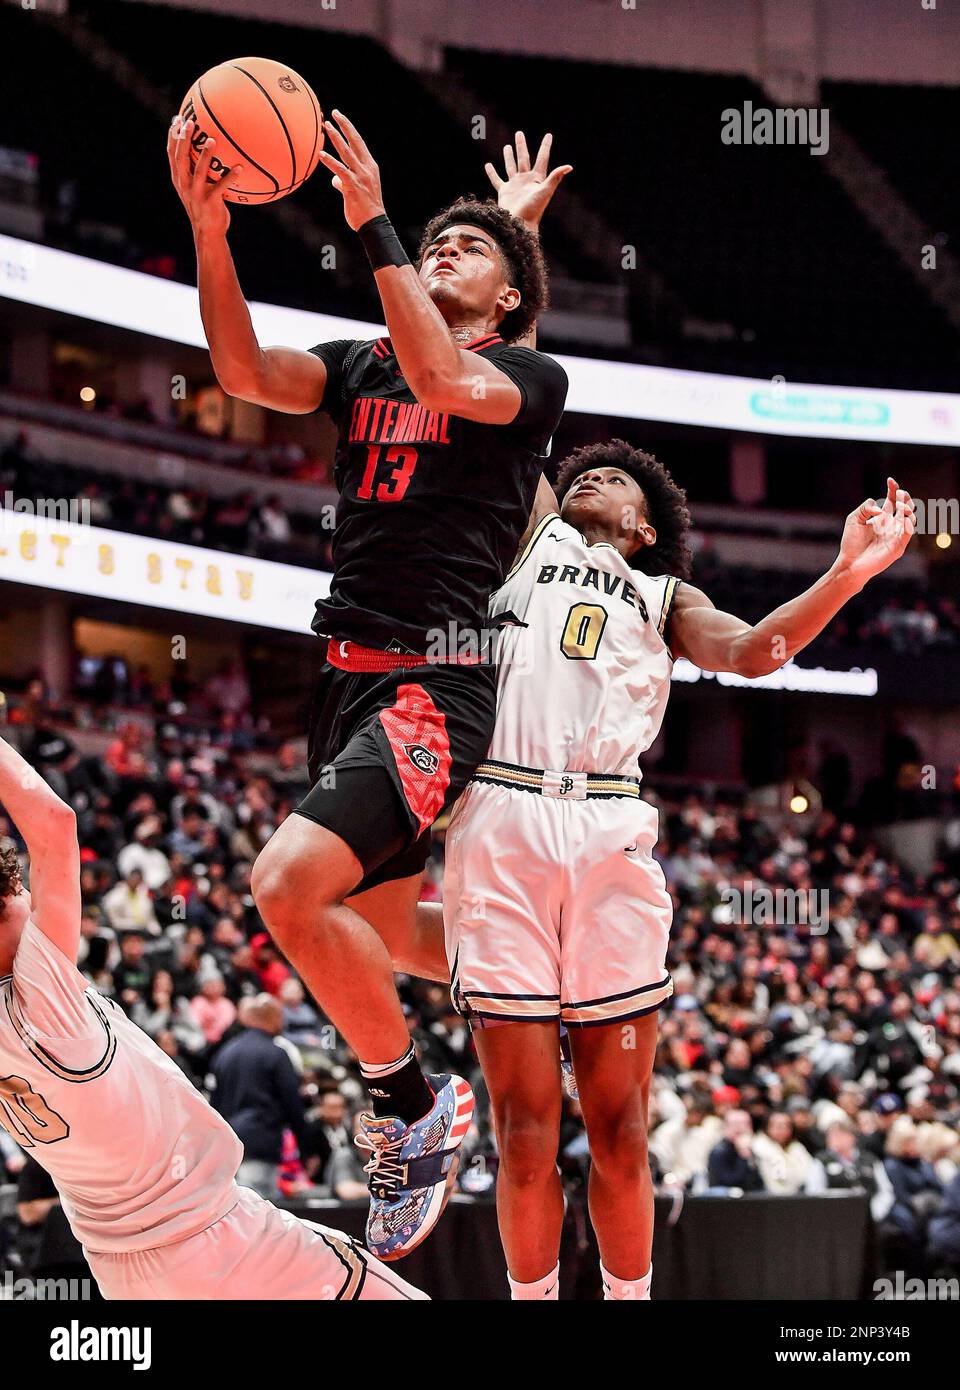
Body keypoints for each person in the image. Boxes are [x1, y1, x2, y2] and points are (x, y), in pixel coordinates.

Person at [169, 111, 569, 1258]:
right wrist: (211, 230)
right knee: (390, 935)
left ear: (508, 303)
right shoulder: (360, 366)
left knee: (288, 885)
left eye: (469, 250)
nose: (442, 250)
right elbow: (241, 369)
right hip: (340, 682)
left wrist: (383, 221)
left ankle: (411, 1102)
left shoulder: (529, 377)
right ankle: (560, 971)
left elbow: (445, 372)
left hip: (433, 685)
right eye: (432, 243)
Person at [440, 448, 915, 1299]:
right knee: (523, 1127)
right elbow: (514, 403)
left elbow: (753, 651)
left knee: (620, 1126)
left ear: (645, 526)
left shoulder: (665, 596)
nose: (592, 479)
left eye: (616, 480)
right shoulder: (531, 537)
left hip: (608, 822)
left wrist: (846, 574)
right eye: (585, 471)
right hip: (501, 813)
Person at [0, 732, 426, 1300]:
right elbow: (52, 822)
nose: (31, 894)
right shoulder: (38, 991)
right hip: (211, 1236)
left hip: (118, 1267)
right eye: (20, 889)